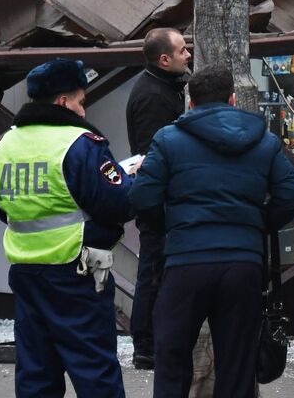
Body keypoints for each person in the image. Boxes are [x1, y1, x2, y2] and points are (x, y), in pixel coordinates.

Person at [128, 66, 294, 398]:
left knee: (172, 358)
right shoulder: (263, 141)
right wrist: (259, 223)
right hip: (242, 263)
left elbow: (142, 197)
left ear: (190, 103)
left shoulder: (168, 140)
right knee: (237, 363)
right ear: (233, 99)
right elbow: (292, 193)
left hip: (185, 263)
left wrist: (169, 227)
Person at [0, 59, 134, 397]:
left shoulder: (4, 147)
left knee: (36, 374)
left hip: (26, 274)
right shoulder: (81, 144)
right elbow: (118, 204)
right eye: (81, 101)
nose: (83, 110)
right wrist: (132, 181)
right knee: (95, 372)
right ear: (63, 102)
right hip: (76, 275)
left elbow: (6, 211)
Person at [125, 27, 191, 369]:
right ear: (164, 59)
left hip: (163, 197)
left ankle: (152, 340)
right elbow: (153, 155)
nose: (188, 54)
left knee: (157, 269)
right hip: (159, 200)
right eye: (182, 50)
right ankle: (146, 345)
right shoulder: (153, 96)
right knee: (153, 270)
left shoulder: (164, 87)